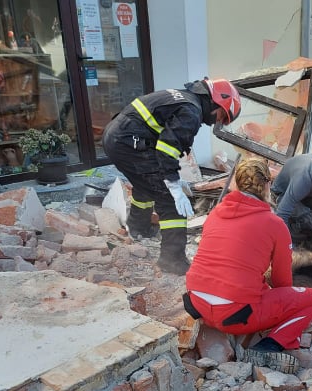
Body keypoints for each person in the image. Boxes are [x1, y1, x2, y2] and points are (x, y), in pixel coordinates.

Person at [183, 158, 312, 373]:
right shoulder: (274, 223)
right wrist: (281, 299)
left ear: (236, 185)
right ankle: (270, 345)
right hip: (234, 315)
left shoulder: (215, 213)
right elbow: (281, 282)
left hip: (196, 302)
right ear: (267, 185)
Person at [102, 78, 241, 275]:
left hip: (117, 137)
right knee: (169, 200)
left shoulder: (185, 100)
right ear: (217, 101)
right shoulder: (191, 112)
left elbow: (164, 141)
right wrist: (173, 185)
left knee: (146, 185)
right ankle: (172, 260)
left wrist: (171, 177)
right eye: (222, 115)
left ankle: (138, 227)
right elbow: (167, 149)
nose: (218, 121)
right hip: (127, 142)